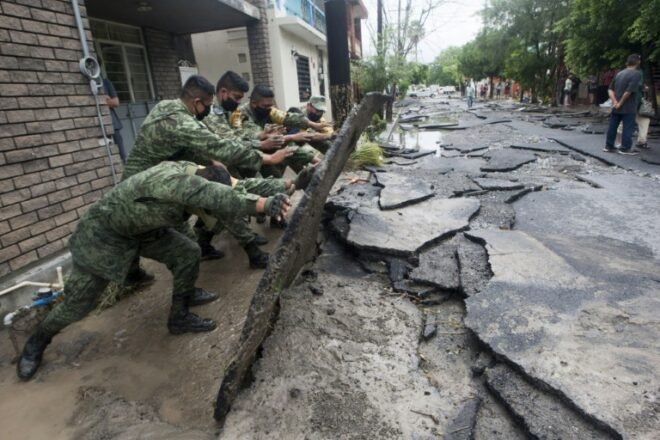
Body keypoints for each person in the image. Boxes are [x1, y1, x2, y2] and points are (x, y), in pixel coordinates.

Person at [16, 161, 291, 381]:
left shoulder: (195, 173)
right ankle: (37, 341)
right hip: (105, 236)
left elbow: (237, 187)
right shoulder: (175, 182)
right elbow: (217, 197)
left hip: (145, 229)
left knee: (188, 252)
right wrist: (263, 205)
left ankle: (179, 316)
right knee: (79, 304)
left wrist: (285, 185)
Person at [122, 75, 293, 270]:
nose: (208, 109)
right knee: (203, 217)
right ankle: (248, 251)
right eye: (207, 105)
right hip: (147, 187)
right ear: (196, 102)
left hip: (155, 178)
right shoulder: (180, 121)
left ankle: (134, 273)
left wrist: (214, 161)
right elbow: (217, 145)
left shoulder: (169, 107)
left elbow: (199, 144)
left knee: (213, 193)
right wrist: (267, 158)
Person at [234, 85, 328, 178]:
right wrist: (291, 137)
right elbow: (256, 137)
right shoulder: (238, 115)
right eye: (266, 106)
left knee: (287, 154)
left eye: (271, 105)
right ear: (254, 103)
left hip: (268, 151)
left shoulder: (269, 109)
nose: (269, 109)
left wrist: (313, 124)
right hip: (246, 158)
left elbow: (288, 117)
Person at [604, 54, 643, 155]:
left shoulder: (619, 73)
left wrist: (615, 102)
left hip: (616, 106)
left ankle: (609, 146)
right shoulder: (636, 74)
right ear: (638, 62)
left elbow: (610, 89)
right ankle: (625, 148)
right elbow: (628, 92)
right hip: (628, 106)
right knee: (628, 127)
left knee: (613, 126)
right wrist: (620, 103)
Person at [101, 75, 127, 163]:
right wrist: (104, 99)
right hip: (98, 127)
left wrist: (104, 101)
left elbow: (115, 102)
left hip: (113, 125)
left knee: (121, 155)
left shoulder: (105, 82)